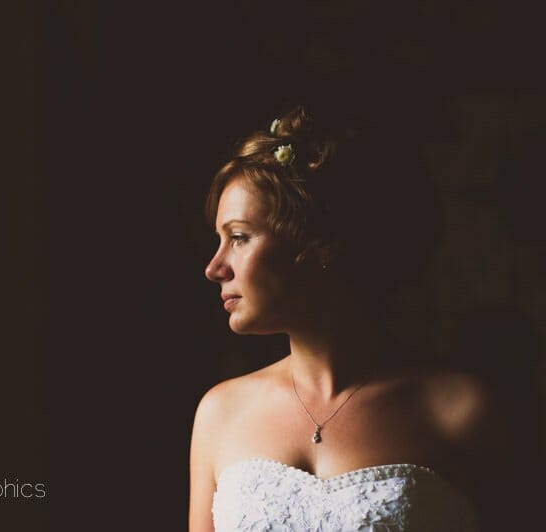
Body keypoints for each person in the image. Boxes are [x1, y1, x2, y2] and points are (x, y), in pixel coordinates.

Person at [188, 104, 504, 531]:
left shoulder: (460, 411)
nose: (215, 267)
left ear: (317, 246)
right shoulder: (220, 413)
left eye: (240, 238)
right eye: (220, 240)